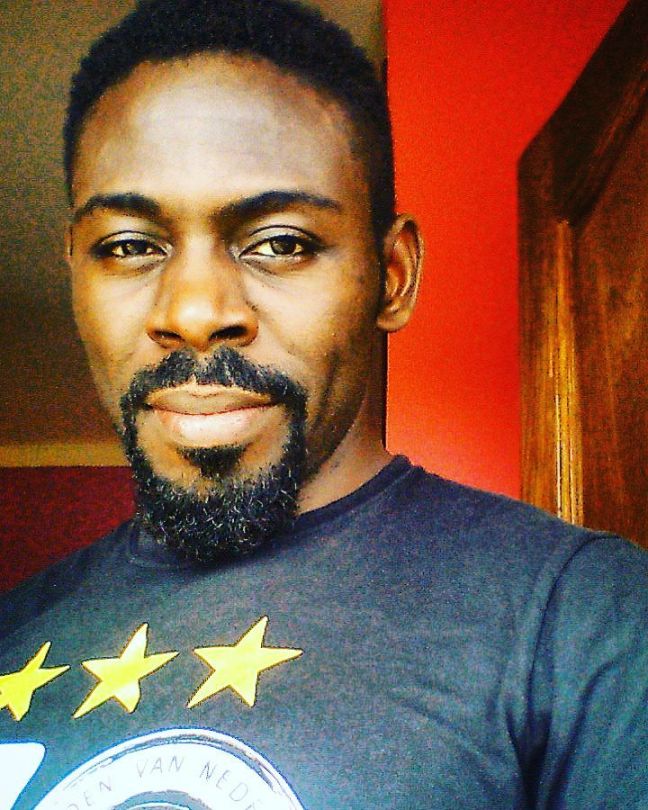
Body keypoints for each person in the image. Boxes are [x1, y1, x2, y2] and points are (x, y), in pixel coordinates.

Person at [0, 0, 646, 807]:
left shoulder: (587, 616)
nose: (193, 311)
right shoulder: (14, 627)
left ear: (392, 276)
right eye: (129, 246)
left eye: (280, 243)